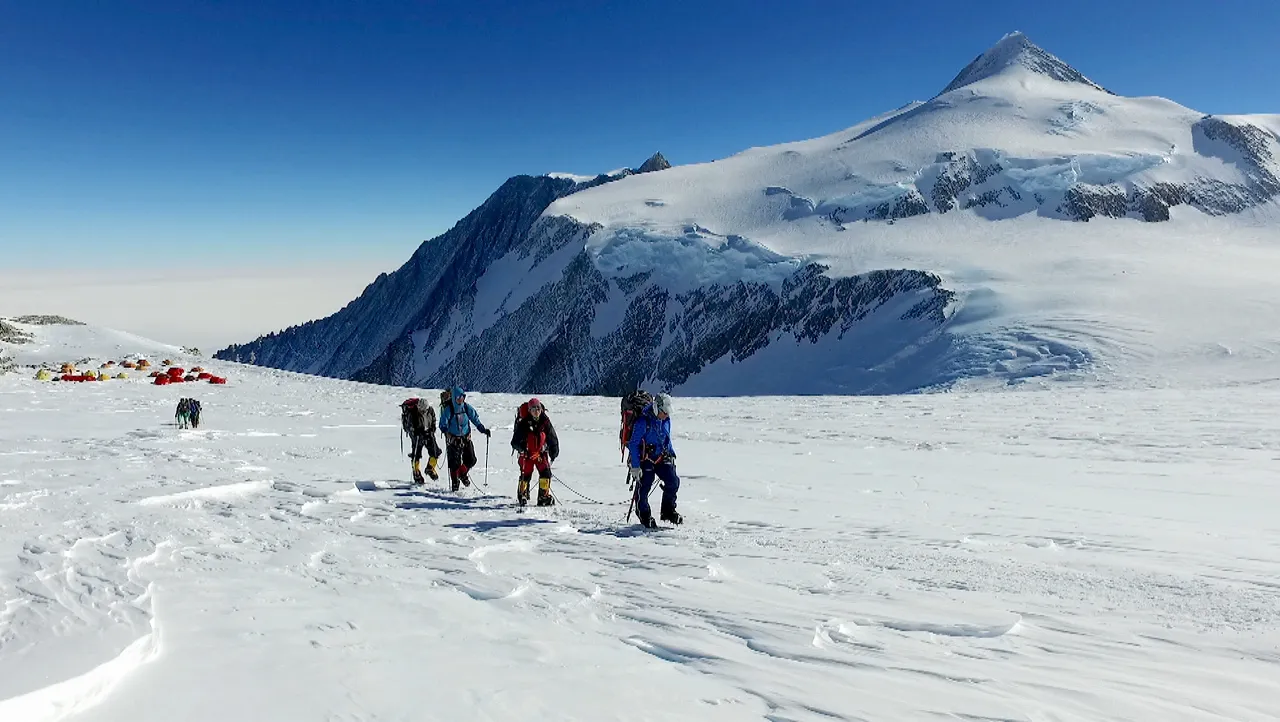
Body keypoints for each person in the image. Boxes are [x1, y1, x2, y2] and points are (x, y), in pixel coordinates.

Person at [626, 392, 682, 527]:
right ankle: (644, 514)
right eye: (664, 412)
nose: (666, 415)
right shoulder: (642, 422)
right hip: (645, 459)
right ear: (657, 408)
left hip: (662, 456)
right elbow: (633, 444)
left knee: (673, 481)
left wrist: (671, 454)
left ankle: (668, 511)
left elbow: (666, 438)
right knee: (645, 484)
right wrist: (635, 466)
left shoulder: (666, 420)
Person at [438, 386, 491, 491]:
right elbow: (442, 422)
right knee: (454, 463)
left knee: (471, 459)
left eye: (462, 397)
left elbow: (475, 419)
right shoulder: (449, 409)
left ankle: (462, 473)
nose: (461, 399)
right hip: (453, 440)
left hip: (466, 438)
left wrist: (483, 429)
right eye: (458, 397)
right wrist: (444, 430)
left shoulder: (466, 408)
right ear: (454, 398)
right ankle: (455, 482)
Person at [510, 398, 559, 507]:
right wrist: (522, 448)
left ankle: (543, 497)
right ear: (529, 410)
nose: (536, 411)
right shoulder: (524, 423)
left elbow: (552, 437)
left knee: (545, 474)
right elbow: (515, 441)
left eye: (538, 408)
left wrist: (554, 449)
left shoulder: (545, 421)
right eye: (533, 409)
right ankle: (523, 495)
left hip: (540, 454)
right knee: (526, 475)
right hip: (527, 454)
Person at [400, 397, 441, 485]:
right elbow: (411, 426)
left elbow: (433, 419)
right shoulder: (413, 413)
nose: (421, 411)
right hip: (417, 436)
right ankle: (416, 472)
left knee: (435, 452)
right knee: (416, 454)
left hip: (428, 433)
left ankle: (430, 468)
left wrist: (432, 428)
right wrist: (416, 431)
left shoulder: (430, 410)